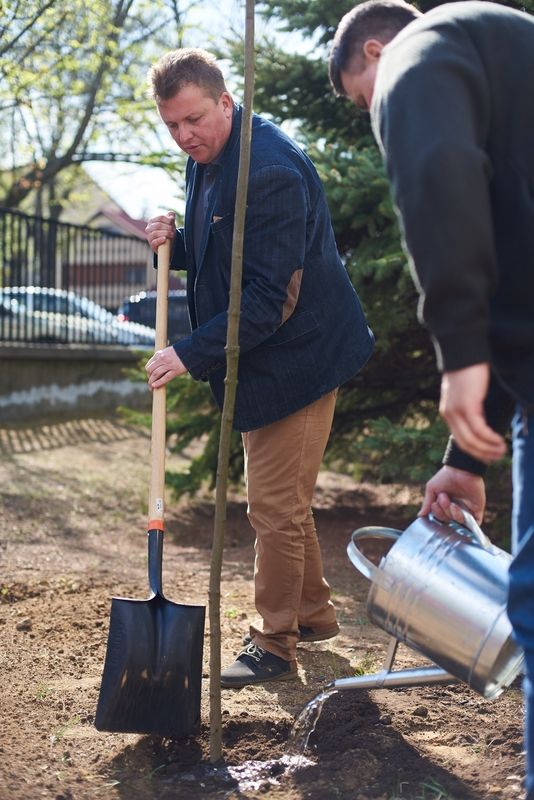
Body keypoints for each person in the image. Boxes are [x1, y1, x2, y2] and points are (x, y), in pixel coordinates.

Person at [329, 1, 534, 796]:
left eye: (361, 98)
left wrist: (460, 355)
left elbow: (439, 166)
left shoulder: (420, 52)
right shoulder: (506, 53)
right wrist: (462, 459)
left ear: (375, 50)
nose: (376, 116)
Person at [143, 48, 374, 689]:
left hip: (298, 356)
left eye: (194, 120)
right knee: (285, 503)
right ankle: (313, 614)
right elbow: (228, 247)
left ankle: (274, 643)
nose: (185, 136)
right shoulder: (210, 156)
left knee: (273, 507)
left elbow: (267, 301)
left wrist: (186, 353)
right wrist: (179, 243)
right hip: (263, 353)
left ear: (225, 102)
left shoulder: (269, 170)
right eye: (172, 127)